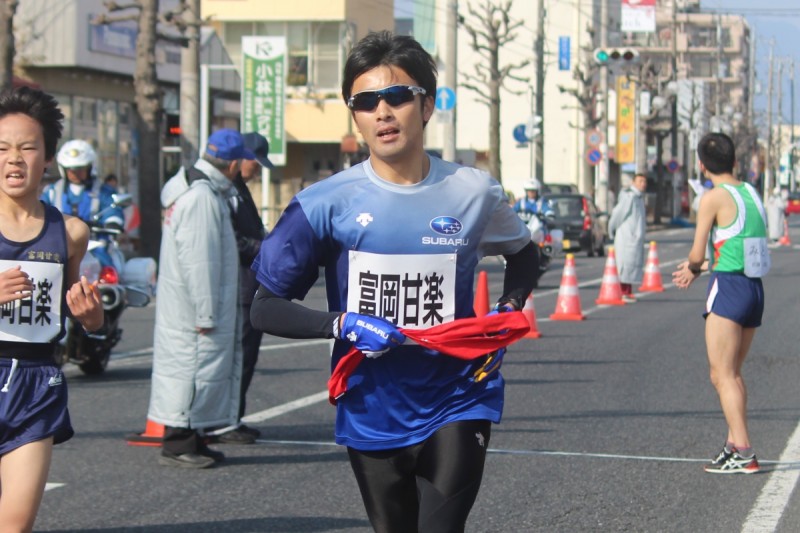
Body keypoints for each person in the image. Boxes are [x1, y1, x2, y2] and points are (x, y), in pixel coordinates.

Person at [250, 30, 538, 531]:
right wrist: (342, 323)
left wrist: (507, 312)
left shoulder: (473, 192)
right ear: (355, 115)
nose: (382, 111)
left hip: (459, 393)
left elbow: (525, 254)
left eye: (398, 96)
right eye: (365, 102)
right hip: (371, 404)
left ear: (426, 105)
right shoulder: (324, 202)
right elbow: (265, 306)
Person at [0, 87, 104, 531]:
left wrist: (91, 316)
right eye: (2, 148)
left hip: (36, 383)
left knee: (15, 524)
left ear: (47, 158)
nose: (14, 159)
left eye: (27, 148)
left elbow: (83, 311)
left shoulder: (71, 232)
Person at [147, 128, 256, 468]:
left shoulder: (192, 188)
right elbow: (201, 262)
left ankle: (193, 438)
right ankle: (178, 444)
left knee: (192, 370)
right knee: (192, 371)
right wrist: (206, 313)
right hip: (195, 307)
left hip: (184, 303)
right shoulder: (202, 197)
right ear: (234, 164)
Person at [672, 132, 769, 474]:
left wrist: (693, 268)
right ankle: (732, 445)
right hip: (754, 288)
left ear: (702, 165)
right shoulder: (751, 192)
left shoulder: (712, 197)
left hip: (728, 285)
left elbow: (697, 252)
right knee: (733, 373)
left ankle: (744, 451)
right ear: (735, 161)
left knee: (721, 375)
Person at [208, 132, 273, 444]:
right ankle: (223, 421)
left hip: (248, 284)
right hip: (237, 286)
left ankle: (233, 416)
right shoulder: (225, 191)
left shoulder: (238, 189)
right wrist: (263, 247)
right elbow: (231, 239)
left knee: (246, 357)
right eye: (255, 163)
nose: (256, 170)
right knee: (238, 357)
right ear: (241, 158)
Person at [41, 139, 124, 229]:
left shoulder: (103, 191)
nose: (75, 174)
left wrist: (113, 222)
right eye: (71, 170)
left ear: (89, 168)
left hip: (94, 236)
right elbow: (39, 211)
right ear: (63, 169)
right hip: (59, 237)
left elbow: (113, 210)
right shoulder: (53, 192)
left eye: (80, 169)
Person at [608, 173, 647, 302]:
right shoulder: (629, 197)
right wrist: (611, 229)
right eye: (640, 181)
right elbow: (617, 214)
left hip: (635, 238)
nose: (643, 184)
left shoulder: (639, 198)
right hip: (626, 237)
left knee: (632, 265)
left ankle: (628, 291)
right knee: (624, 265)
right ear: (633, 183)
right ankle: (623, 292)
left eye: (644, 182)